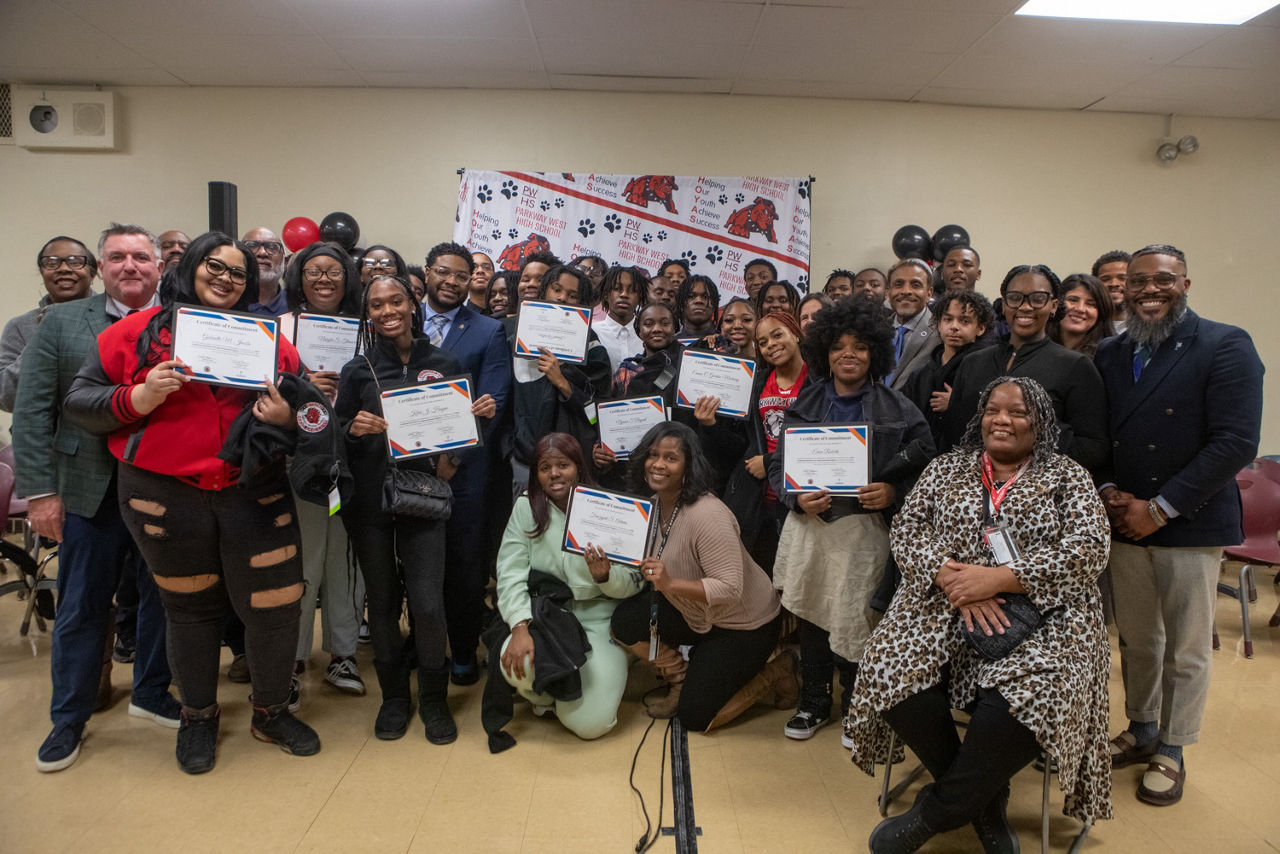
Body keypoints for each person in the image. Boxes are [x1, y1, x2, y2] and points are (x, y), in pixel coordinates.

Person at [63, 231, 320, 774]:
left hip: (254, 489)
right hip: (163, 492)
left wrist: (286, 419)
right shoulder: (134, 334)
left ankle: (271, 712)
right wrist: (140, 395)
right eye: (215, 267)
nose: (225, 279)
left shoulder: (270, 341)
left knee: (276, 607)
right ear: (188, 268)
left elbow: (309, 419)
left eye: (237, 273)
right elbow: (81, 402)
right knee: (190, 609)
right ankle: (198, 716)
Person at [847, 376, 1113, 853]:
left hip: (1046, 611)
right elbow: (908, 528)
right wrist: (951, 577)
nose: (1002, 420)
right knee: (888, 663)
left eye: (1018, 412)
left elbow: (1090, 549)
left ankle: (940, 810)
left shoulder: (1067, 475)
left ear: (1041, 422)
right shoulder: (947, 468)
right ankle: (984, 796)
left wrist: (1000, 579)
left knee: (1038, 685)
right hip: (945, 600)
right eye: (993, 410)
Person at [1095, 244, 1263, 807]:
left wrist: (1159, 507)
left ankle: (1174, 746)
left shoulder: (1225, 344)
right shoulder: (1112, 353)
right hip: (1124, 521)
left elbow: (1235, 442)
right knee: (1138, 639)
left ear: (1185, 284)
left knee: (1185, 647)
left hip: (1188, 520)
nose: (1149, 289)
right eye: (1138, 281)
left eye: (1162, 280)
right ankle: (1141, 728)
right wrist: (1110, 492)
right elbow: (1099, 433)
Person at [14, 223, 175, 773]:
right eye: (116, 258)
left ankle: (153, 691)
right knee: (83, 605)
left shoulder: (182, 321)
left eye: (140, 257)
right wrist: (40, 494)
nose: (129, 266)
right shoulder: (59, 323)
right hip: (88, 491)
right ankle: (69, 717)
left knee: (163, 598)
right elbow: (33, 414)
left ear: (158, 266)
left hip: (164, 487)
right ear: (100, 268)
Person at [335, 273, 497, 743]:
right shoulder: (357, 369)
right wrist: (353, 428)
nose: (388, 311)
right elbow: (336, 430)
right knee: (383, 603)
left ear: (413, 304)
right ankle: (393, 699)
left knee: (427, 604)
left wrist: (454, 458)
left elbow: (460, 429)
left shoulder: (443, 361)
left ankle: (432, 700)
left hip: (423, 498)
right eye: (377, 305)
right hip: (369, 502)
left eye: (396, 301)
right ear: (368, 314)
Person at [767, 299, 934, 740]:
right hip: (811, 529)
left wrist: (895, 493)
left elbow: (930, 470)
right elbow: (777, 465)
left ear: (875, 352)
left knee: (859, 617)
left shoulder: (899, 408)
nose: (848, 354)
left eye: (859, 347)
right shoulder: (805, 403)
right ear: (824, 351)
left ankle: (857, 706)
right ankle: (814, 703)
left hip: (866, 533)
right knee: (813, 615)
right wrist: (796, 498)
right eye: (839, 346)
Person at [611, 422, 790, 731]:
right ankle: (680, 678)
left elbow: (730, 588)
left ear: (688, 466)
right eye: (653, 455)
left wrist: (669, 584)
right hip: (695, 613)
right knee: (623, 622)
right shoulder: (651, 507)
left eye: (671, 458)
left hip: (744, 625)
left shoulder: (708, 514)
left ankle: (778, 670)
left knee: (696, 718)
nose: (658, 464)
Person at [495, 433, 643, 738]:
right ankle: (548, 696)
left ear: (579, 467)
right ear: (536, 474)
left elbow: (633, 583)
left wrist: (605, 577)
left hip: (601, 619)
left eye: (563, 464)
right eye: (544, 467)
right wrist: (519, 628)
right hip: (550, 616)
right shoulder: (527, 507)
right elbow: (509, 572)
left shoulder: (609, 508)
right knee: (514, 660)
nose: (554, 474)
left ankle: (608, 668)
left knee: (590, 726)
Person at [421, 241, 513, 686]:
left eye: (462, 275)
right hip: (405, 466)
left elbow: (491, 402)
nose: (452, 281)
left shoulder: (487, 330)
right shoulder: (398, 319)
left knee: (462, 567)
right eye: (444, 272)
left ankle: (461, 651)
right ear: (427, 272)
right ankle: (422, 649)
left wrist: (454, 456)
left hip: (464, 472)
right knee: (415, 564)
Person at [279, 242, 366, 702]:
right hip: (303, 456)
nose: (324, 279)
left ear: (348, 278)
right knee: (303, 558)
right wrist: (304, 385)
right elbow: (264, 387)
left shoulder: (365, 329)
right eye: (314, 271)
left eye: (334, 271)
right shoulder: (282, 327)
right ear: (299, 277)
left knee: (346, 560)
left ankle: (344, 654)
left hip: (355, 454)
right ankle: (291, 658)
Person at [942, 265, 1109, 474]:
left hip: (1038, 490)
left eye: (1038, 298)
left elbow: (1094, 447)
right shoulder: (973, 362)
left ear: (1054, 306)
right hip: (973, 487)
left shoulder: (1075, 366)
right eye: (1015, 297)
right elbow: (953, 433)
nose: (1025, 307)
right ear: (1004, 305)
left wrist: (1036, 431)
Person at [722, 310, 811, 575]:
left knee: (796, 575)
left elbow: (819, 443)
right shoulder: (758, 382)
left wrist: (771, 461)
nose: (771, 345)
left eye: (777, 335)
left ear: (795, 334)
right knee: (764, 570)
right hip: (762, 494)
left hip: (800, 494)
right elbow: (745, 438)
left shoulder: (819, 381)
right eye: (762, 342)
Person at [507, 265, 610, 492]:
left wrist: (563, 382)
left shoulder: (594, 349)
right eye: (557, 290)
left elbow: (598, 414)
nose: (563, 298)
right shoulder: (513, 337)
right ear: (545, 291)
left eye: (573, 295)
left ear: (582, 302)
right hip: (521, 463)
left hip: (570, 468)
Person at [1, 236, 98, 412]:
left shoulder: (114, 318)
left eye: (75, 262)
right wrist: (41, 337)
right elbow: (6, 398)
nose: (64, 269)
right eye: (51, 263)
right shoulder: (19, 327)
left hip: (100, 433)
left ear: (92, 272)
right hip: (39, 435)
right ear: (42, 272)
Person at [901, 290, 994, 449]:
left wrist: (957, 404)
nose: (954, 327)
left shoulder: (988, 367)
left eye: (964, 321)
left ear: (980, 328)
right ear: (938, 323)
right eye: (948, 319)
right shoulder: (921, 373)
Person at [885, 259, 937, 390]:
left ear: (929, 294)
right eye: (898, 284)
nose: (906, 291)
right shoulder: (876, 330)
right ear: (888, 292)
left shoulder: (940, 334)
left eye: (915, 285)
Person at [593, 265, 647, 373]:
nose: (624, 295)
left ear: (640, 298)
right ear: (606, 295)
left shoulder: (648, 335)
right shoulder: (592, 332)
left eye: (632, 290)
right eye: (617, 289)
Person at [1048, 273, 1114, 357]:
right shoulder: (1034, 348)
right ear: (1055, 304)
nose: (1080, 309)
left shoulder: (1109, 356)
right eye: (1073, 300)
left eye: (1090, 304)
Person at [242, 227, 288, 315]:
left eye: (272, 247)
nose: (262, 253)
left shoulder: (297, 307)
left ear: (284, 261)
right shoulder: (227, 300)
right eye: (252, 246)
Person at [1091, 249, 1131, 332]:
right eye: (1105, 279)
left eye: (1122, 278)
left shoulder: (1149, 326)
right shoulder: (1086, 326)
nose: (1114, 284)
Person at [675, 274, 720, 341]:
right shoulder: (670, 344)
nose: (699, 301)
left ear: (714, 305)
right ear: (681, 304)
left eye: (705, 297)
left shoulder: (725, 343)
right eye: (691, 296)